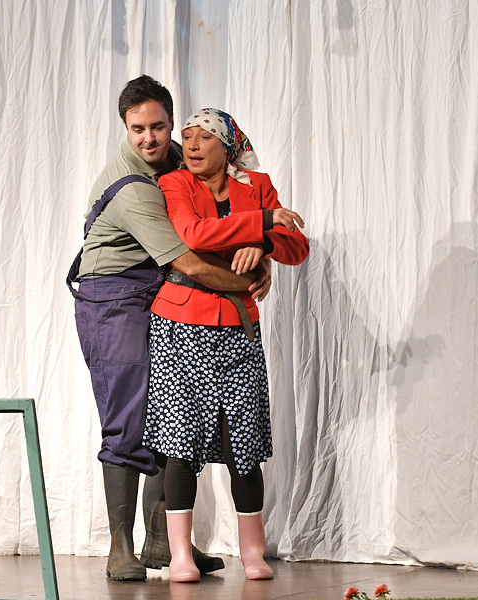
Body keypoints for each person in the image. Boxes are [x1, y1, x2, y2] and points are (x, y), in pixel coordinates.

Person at [66, 76, 271, 581]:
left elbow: (233, 203)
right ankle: (120, 548)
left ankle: (163, 541)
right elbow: (191, 261)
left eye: (158, 126)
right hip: (113, 296)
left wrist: (262, 252)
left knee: (166, 419)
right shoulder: (134, 189)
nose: (149, 138)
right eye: (137, 129)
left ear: (171, 123)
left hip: (157, 290)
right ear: (125, 128)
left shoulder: (180, 159)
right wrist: (246, 286)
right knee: (127, 420)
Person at [142, 108, 309, 582]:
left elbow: (298, 246)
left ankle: (253, 552)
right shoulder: (175, 184)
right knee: (180, 441)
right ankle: (179, 555)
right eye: (188, 137)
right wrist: (262, 223)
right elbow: (193, 235)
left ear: (227, 145)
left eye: (204, 138)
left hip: (239, 327)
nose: (192, 146)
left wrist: (266, 245)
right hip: (180, 325)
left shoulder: (256, 185)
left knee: (244, 442)